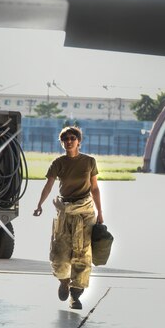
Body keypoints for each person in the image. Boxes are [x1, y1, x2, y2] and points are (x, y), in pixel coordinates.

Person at [33, 126, 103, 310]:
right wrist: (39, 204)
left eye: (72, 138)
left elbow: (94, 188)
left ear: (79, 141)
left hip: (85, 212)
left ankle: (75, 294)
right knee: (59, 254)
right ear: (62, 142)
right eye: (65, 139)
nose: (69, 141)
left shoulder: (89, 162)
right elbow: (49, 186)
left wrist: (100, 213)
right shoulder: (58, 163)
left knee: (82, 254)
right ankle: (64, 281)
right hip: (64, 210)